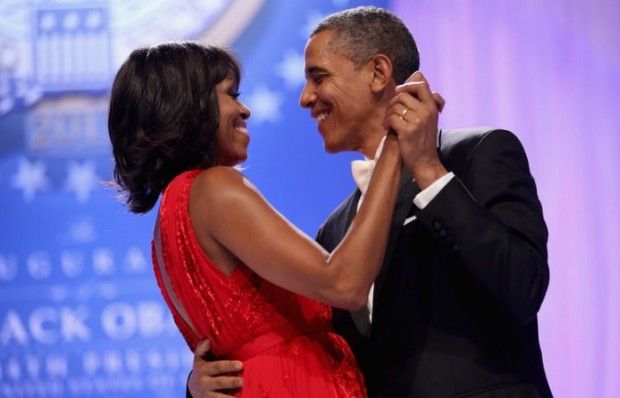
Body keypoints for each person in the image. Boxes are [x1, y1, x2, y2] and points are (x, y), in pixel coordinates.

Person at [189, 6, 553, 398]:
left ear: (378, 74)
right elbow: (306, 351)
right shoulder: (336, 231)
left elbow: (523, 287)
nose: (305, 98)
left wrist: (429, 170)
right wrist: (204, 385)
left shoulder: (477, 154)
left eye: (318, 77)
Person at [107, 41, 428, 397]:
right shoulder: (213, 189)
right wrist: (393, 143)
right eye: (230, 94)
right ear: (189, 106)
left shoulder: (169, 220)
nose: (244, 109)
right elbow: (344, 284)